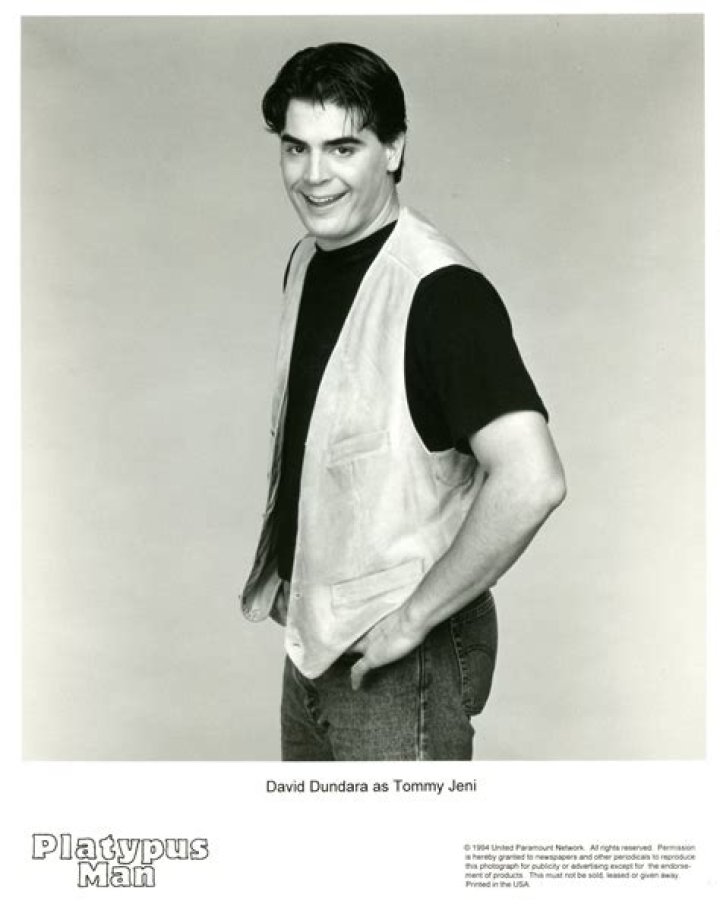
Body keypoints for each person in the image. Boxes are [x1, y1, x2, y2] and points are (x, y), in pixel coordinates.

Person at [241, 42, 566, 761]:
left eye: (343, 148)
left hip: (402, 663)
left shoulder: (442, 294)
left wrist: (412, 620)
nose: (313, 176)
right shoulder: (308, 261)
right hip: (314, 648)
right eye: (296, 148)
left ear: (393, 150)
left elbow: (533, 479)